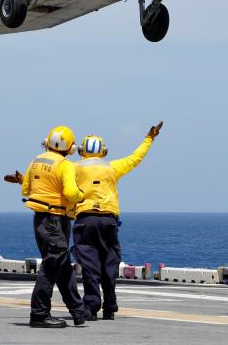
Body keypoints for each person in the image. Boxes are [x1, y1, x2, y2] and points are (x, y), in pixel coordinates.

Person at [72, 121, 163, 320]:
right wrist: (150, 138)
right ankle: (110, 306)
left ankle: (91, 307)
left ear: (81, 151)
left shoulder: (73, 168)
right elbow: (135, 158)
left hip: (85, 220)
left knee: (90, 265)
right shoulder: (112, 167)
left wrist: (23, 179)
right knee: (109, 263)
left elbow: (51, 177)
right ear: (103, 151)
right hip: (108, 221)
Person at [5, 125, 87, 328]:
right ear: (69, 146)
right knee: (52, 267)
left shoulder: (36, 161)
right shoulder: (66, 165)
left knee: (62, 265)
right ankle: (39, 314)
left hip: (40, 219)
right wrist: (81, 195)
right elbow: (70, 193)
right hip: (56, 220)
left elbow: (26, 188)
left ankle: (78, 311)